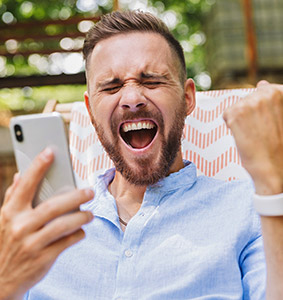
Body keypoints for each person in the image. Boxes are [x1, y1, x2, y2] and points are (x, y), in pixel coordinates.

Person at [0, 10, 282, 300]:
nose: (132, 99)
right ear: (90, 111)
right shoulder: (45, 223)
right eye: (111, 86)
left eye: (152, 82)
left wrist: (273, 183)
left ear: (187, 99)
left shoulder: (251, 208)